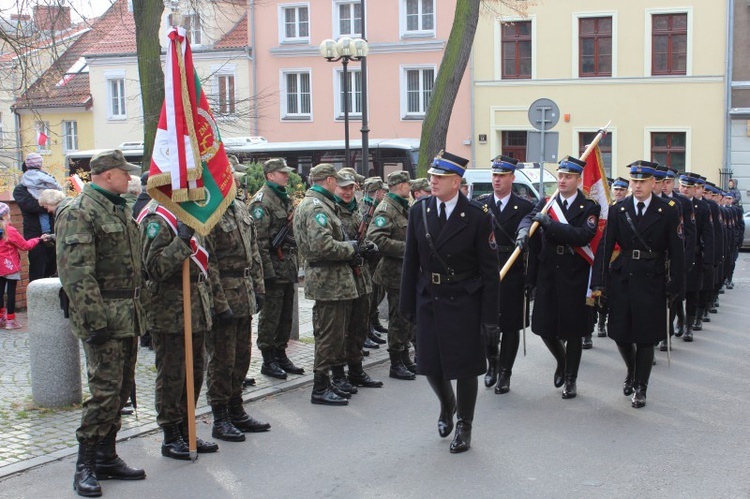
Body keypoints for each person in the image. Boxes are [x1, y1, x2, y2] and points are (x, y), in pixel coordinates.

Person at [55, 149, 146, 497]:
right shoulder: (80, 212)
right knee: (105, 392)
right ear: (108, 175)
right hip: (103, 317)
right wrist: (95, 323)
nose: (129, 178)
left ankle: (107, 455)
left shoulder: (119, 210)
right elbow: (77, 273)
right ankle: (86, 464)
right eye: (125, 173)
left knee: (121, 391)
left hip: (128, 314)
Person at [400, 151, 499, 454]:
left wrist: (490, 318)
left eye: (439, 178)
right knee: (429, 365)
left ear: (456, 182)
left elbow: (490, 272)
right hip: (430, 298)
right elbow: (410, 261)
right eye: (431, 177)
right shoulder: (420, 210)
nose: (433, 182)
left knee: (466, 368)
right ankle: (447, 404)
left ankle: (464, 426)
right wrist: (406, 307)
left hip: (464, 301)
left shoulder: (478, 217)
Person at [592, 160, 684, 408]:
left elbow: (677, 251)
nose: (637, 186)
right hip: (622, 278)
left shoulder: (668, 210)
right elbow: (605, 247)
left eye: (643, 181)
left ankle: (641, 386)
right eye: (634, 181)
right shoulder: (618, 210)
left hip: (651, 279)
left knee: (645, 338)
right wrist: (598, 281)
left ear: (653, 183)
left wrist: (676, 285)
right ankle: (632, 371)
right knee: (620, 334)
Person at [139, 199, 219, 459]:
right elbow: (155, 268)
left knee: (195, 372)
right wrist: (181, 240)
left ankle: (188, 429)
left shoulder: (189, 213)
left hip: (195, 305)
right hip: (169, 309)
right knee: (173, 374)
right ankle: (171, 434)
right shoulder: (157, 217)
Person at [517, 155, 600, 400]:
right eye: (560, 176)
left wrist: (550, 225)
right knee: (543, 326)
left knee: (574, 330)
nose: (562, 181)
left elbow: (583, 235)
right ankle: (562, 361)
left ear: (578, 179)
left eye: (568, 177)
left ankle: (571, 379)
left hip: (575, 272)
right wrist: (523, 230)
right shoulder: (547, 201)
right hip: (549, 272)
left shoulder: (589, 206)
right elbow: (529, 218)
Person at [205, 189, 270, 441]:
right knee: (222, 359)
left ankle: (236, 408)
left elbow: (253, 252)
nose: (231, 179)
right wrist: (219, 303)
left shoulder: (239, 207)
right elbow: (207, 262)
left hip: (244, 292)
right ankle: (220, 417)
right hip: (224, 293)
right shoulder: (208, 211)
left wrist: (259, 287)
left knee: (242, 357)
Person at [293, 164, 360, 405]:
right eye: (337, 181)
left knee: (332, 334)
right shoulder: (316, 207)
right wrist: (352, 247)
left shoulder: (320, 205)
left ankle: (327, 382)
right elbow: (323, 246)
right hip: (327, 279)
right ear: (330, 181)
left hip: (332, 279)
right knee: (327, 335)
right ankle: (320, 386)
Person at [476, 155, 533, 394]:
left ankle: (505, 373)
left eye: (502, 176)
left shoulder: (524, 206)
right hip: (486, 272)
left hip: (512, 272)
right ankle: (492, 364)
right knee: (487, 323)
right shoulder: (479, 204)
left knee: (509, 326)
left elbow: (532, 240)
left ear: (512, 177)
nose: (497, 180)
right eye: (494, 175)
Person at [249, 158, 305, 380]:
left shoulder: (283, 198)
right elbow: (259, 243)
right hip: (273, 269)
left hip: (287, 267)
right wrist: (267, 274)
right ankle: (268, 359)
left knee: (285, 317)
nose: (286, 175)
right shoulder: (261, 203)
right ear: (270, 175)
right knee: (271, 316)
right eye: (282, 173)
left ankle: (281, 354)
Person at [333, 170, 383, 389]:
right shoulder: (332, 211)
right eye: (344, 188)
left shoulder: (354, 211)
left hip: (360, 276)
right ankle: (338, 375)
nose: (348, 192)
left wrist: (369, 248)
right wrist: (354, 248)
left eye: (351, 188)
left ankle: (356, 370)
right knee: (340, 330)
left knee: (358, 327)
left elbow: (360, 239)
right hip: (341, 279)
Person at [367, 170, 417, 381]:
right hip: (393, 273)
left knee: (405, 318)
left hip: (404, 272)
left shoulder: (401, 207)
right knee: (398, 319)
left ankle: (404, 357)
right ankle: (395, 363)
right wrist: (408, 248)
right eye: (408, 184)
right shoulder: (386, 208)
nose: (410, 188)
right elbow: (375, 239)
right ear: (401, 186)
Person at [0, 203, 50, 329]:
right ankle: (11, 321)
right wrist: (38, 239)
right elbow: (25, 246)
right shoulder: (9, 230)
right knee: (11, 293)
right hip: (10, 266)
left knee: (0, 292)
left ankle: (1, 318)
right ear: (5, 215)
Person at [13, 160, 58, 281]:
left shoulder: (46, 186)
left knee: (53, 269)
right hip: (35, 237)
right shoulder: (20, 190)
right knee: (38, 271)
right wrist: (47, 204)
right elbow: (30, 206)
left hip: (53, 234)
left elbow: (57, 201)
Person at [362, 177, 389, 342]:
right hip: (368, 261)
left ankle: (372, 323)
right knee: (368, 297)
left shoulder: (376, 207)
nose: (385, 193)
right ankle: (366, 329)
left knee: (376, 295)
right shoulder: (365, 209)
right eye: (383, 191)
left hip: (376, 260)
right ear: (377, 192)